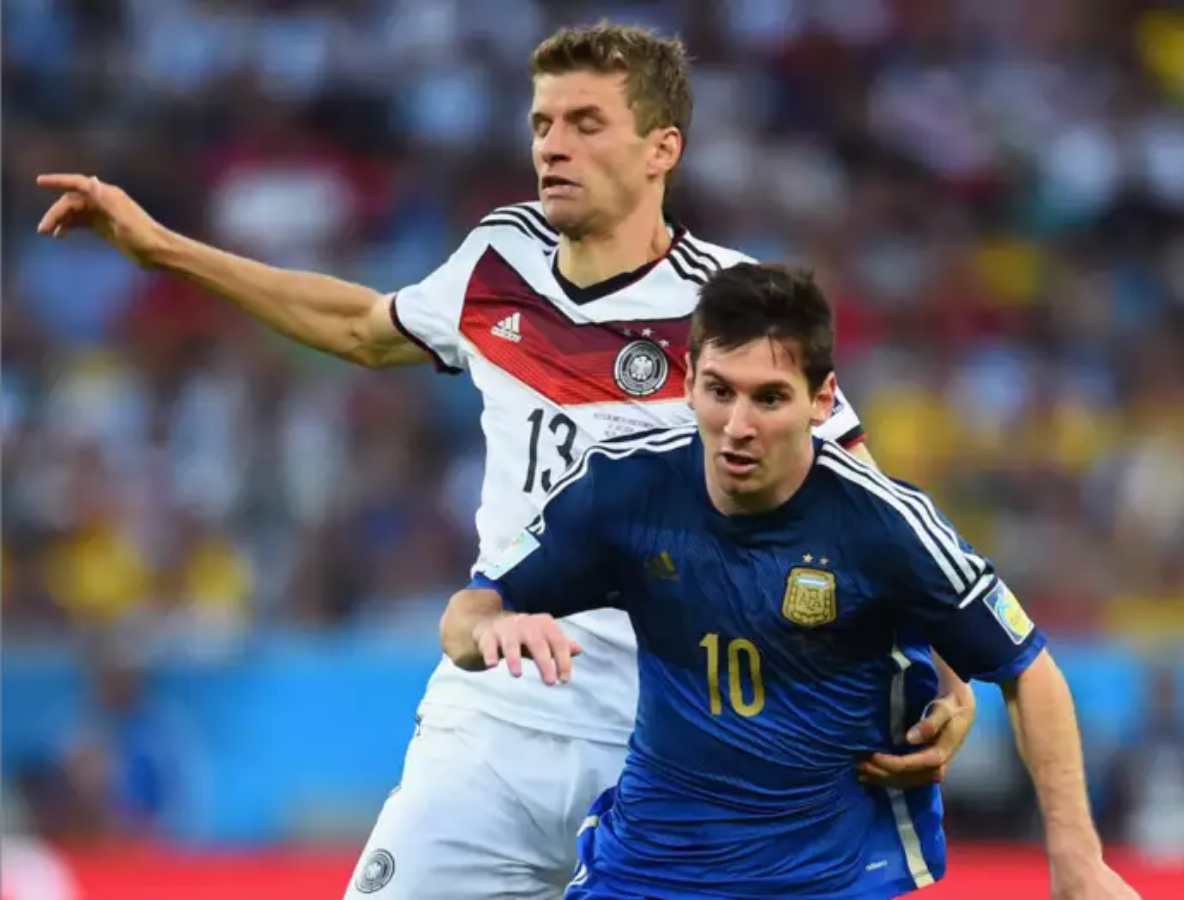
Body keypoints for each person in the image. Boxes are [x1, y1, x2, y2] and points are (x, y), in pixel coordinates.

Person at [35, 22, 974, 899]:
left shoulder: (727, 315)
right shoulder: (499, 259)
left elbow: (859, 503)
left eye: (584, 123)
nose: (551, 147)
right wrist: (160, 249)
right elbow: (363, 326)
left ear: (662, 150)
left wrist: (947, 670)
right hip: (495, 712)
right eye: (541, 123)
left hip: (667, 739)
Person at [442, 262, 1140, 899]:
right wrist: (494, 627)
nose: (737, 426)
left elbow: (1029, 667)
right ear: (687, 380)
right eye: (719, 392)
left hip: (826, 875)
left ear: (821, 398)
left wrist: (1077, 858)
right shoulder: (624, 492)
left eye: (770, 398)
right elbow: (467, 616)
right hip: (649, 867)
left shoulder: (881, 523)